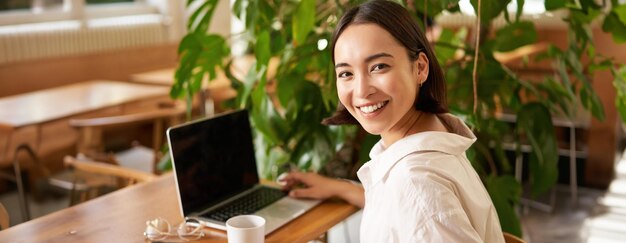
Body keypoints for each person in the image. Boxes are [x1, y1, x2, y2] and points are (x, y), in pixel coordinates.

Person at [280, 0, 505, 242]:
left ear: (420, 68)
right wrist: (339, 188)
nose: (361, 91)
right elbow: (404, 207)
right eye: (346, 73)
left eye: (378, 67)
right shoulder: (429, 138)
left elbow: (416, 202)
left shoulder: (415, 183)